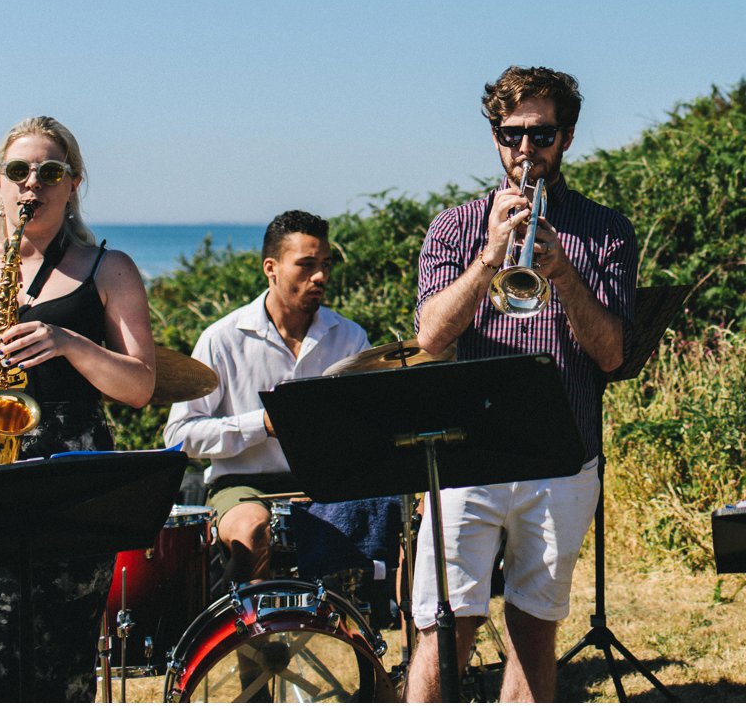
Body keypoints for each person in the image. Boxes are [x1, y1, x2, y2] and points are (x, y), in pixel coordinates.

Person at [0, 116, 157, 703]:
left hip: (70, 481)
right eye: (18, 172)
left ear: (74, 184)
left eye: (49, 172)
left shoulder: (109, 270)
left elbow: (141, 385)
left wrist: (72, 344)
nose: (31, 184)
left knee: (59, 673)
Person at [406, 65, 637, 703]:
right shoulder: (453, 228)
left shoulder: (606, 230)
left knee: (535, 628)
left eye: (541, 134)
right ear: (495, 136)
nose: (525, 150)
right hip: (467, 454)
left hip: (561, 454)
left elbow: (613, 355)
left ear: (566, 137)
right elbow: (430, 338)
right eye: (511, 135)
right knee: (443, 628)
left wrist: (564, 273)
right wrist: (488, 258)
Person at [163, 209, 371, 584]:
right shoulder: (223, 338)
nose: (321, 276)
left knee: (400, 520)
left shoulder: (350, 337)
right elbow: (179, 436)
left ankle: (376, 629)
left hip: (325, 484)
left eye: (325, 264)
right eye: (306, 265)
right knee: (253, 531)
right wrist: (261, 424)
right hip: (242, 486)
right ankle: (243, 633)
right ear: (270, 268)